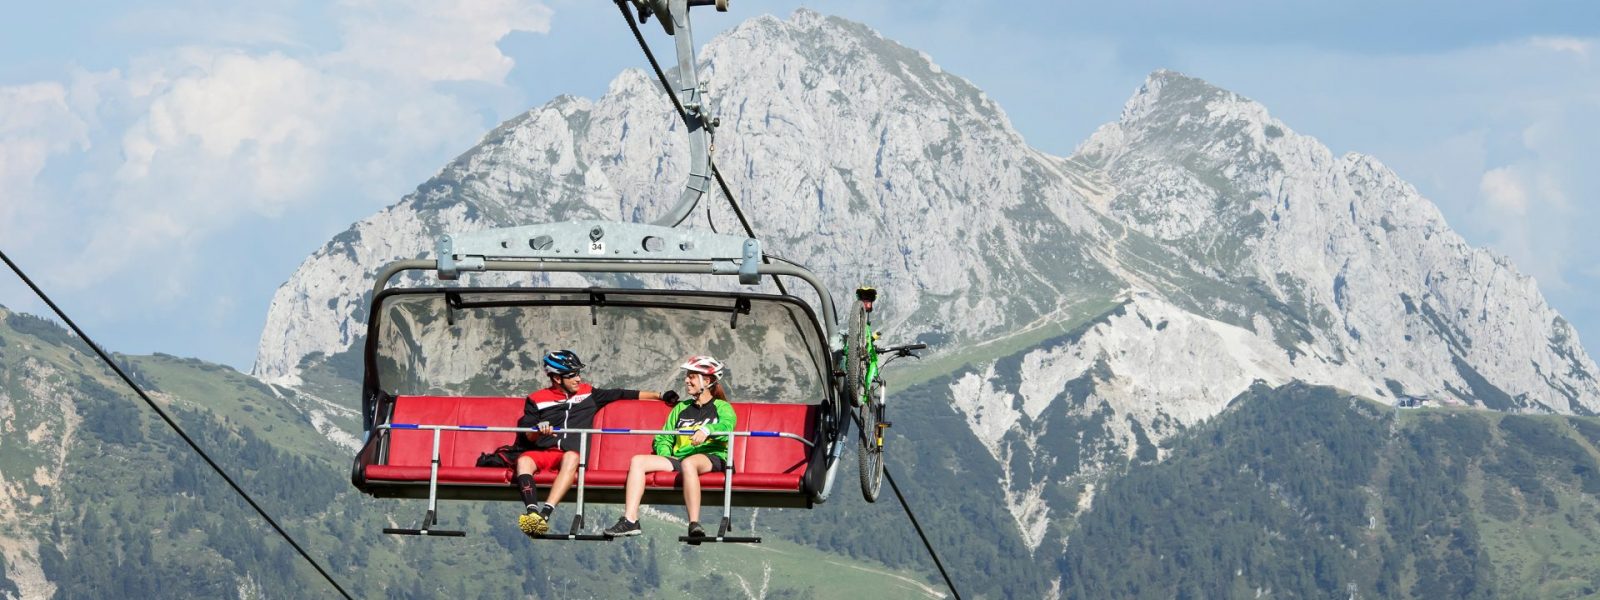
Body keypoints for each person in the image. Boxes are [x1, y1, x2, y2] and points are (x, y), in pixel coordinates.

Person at [514, 350, 676, 536]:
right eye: (572, 375)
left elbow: (622, 393)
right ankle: (532, 512)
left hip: (570, 455)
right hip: (545, 452)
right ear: (557, 379)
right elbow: (528, 435)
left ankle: (545, 514)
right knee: (523, 460)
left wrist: (660, 395)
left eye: (578, 374)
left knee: (571, 457)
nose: (578, 379)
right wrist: (538, 431)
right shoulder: (536, 399)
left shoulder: (588, 393)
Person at [604, 355, 735, 538]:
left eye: (691, 376)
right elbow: (664, 437)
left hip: (712, 456)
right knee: (638, 461)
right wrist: (667, 455)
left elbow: (727, 426)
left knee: (689, 463)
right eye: (687, 376)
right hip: (682, 459)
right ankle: (630, 520)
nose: (686, 380)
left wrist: (707, 430)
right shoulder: (681, 408)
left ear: (706, 380)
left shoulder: (721, 407)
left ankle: (694, 523)